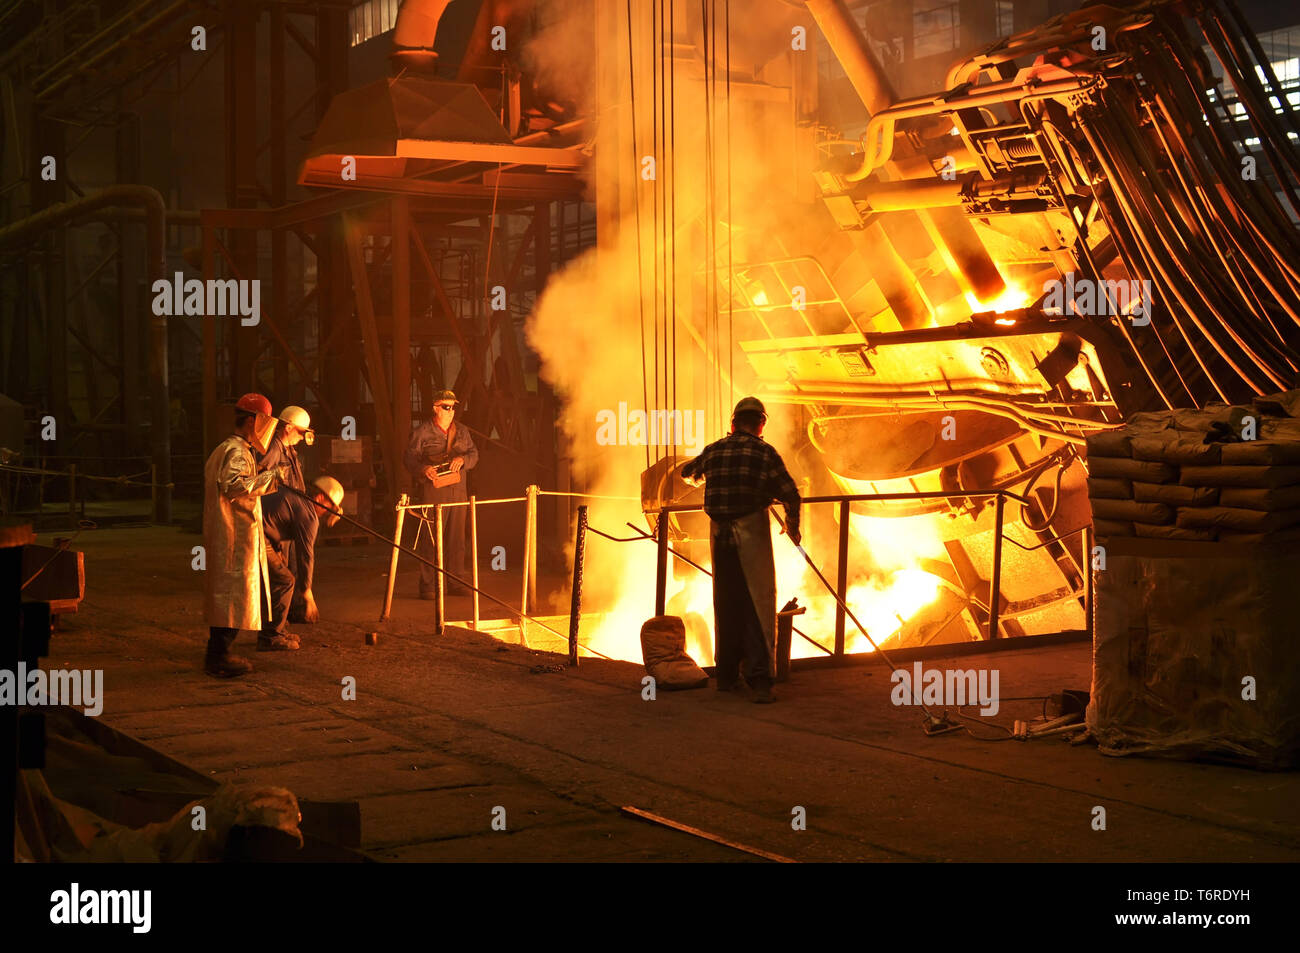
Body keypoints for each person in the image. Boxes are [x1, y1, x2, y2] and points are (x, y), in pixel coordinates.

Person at [681, 397, 801, 703]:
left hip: (720, 538)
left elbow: (687, 473)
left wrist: (708, 472)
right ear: (760, 424)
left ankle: (726, 677)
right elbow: (790, 493)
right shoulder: (765, 452)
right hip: (752, 536)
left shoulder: (714, 450)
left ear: (733, 423)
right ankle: (760, 682)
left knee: (726, 604)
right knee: (758, 607)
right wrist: (792, 525)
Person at [202, 393, 289, 678]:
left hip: (227, 533)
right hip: (235, 536)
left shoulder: (225, 448)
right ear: (252, 421)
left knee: (228, 596)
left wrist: (262, 472)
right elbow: (233, 485)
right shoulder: (238, 451)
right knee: (234, 597)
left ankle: (217, 654)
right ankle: (219, 657)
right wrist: (272, 477)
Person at [403, 389, 479, 598]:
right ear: (435, 408)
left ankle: (455, 581)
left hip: (457, 489)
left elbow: (474, 453)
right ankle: (428, 585)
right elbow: (409, 458)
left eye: (453, 407)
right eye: (446, 407)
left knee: (456, 539)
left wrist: (463, 460)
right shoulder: (422, 433)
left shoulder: (462, 431)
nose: (451, 411)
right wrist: (423, 469)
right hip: (434, 490)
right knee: (432, 538)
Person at [260, 476, 344, 644]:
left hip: (259, 531)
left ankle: (277, 629)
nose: (326, 512)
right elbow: (306, 555)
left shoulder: (298, 499)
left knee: (278, 577)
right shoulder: (309, 514)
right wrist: (307, 592)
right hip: (256, 533)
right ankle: (271, 637)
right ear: (320, 498)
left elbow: (274, 518)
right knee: (285, 580)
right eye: (329, 507)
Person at [256, 405, 313, 619]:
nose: (302, 437)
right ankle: (273, 624)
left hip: (288, 520)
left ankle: (286, 616)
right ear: (288, 427)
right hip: (276, 523)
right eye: (300, 432)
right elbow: (260, 482)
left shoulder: (290, 450)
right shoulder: (273, 449)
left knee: (289, 569)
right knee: (281, 575)